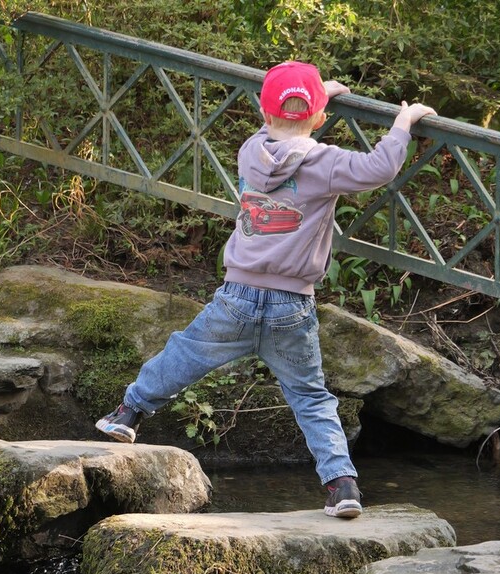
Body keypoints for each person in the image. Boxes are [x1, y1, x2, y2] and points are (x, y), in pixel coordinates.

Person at [96, 61, 436, 518]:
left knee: (183, 354)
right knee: (312, 398)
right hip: (292, 305)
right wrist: (401, 123)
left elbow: (277, 132)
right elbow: (378, 168)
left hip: (236, 296)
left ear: (263, 110)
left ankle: (128, 414)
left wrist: (315, 99)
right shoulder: (327, 162)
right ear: (319, 118)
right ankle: (342, 486)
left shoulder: (250, 151)